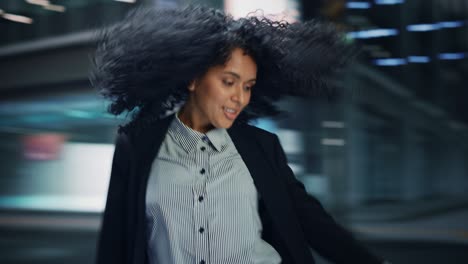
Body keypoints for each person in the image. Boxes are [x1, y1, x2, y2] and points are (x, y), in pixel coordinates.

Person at [91, 5, 390, 264]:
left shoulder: (262, 148)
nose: (240, 97)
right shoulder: (137, 145)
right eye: (229, 81)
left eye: (247, 86)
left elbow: (310, 221)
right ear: (193, 78)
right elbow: (115, 243)